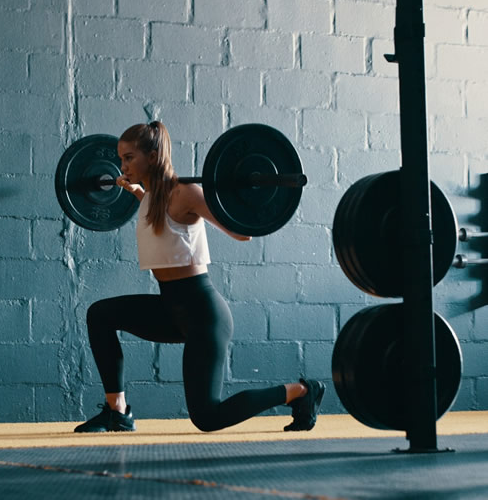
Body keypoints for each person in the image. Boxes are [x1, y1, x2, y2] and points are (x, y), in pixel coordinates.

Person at [75, 121, 325, 433]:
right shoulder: (153, 198)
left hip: (203, 313)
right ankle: (118, 411)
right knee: (100, 314)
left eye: (128, 158)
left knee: (207, 417)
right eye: (121, 158)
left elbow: (241, 233)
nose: (122, 165)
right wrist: (136, 190)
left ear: (152, 157)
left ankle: (300, 392)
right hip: (171, 308)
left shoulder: (187, 193)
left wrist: (241, 191)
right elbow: (159, 214)